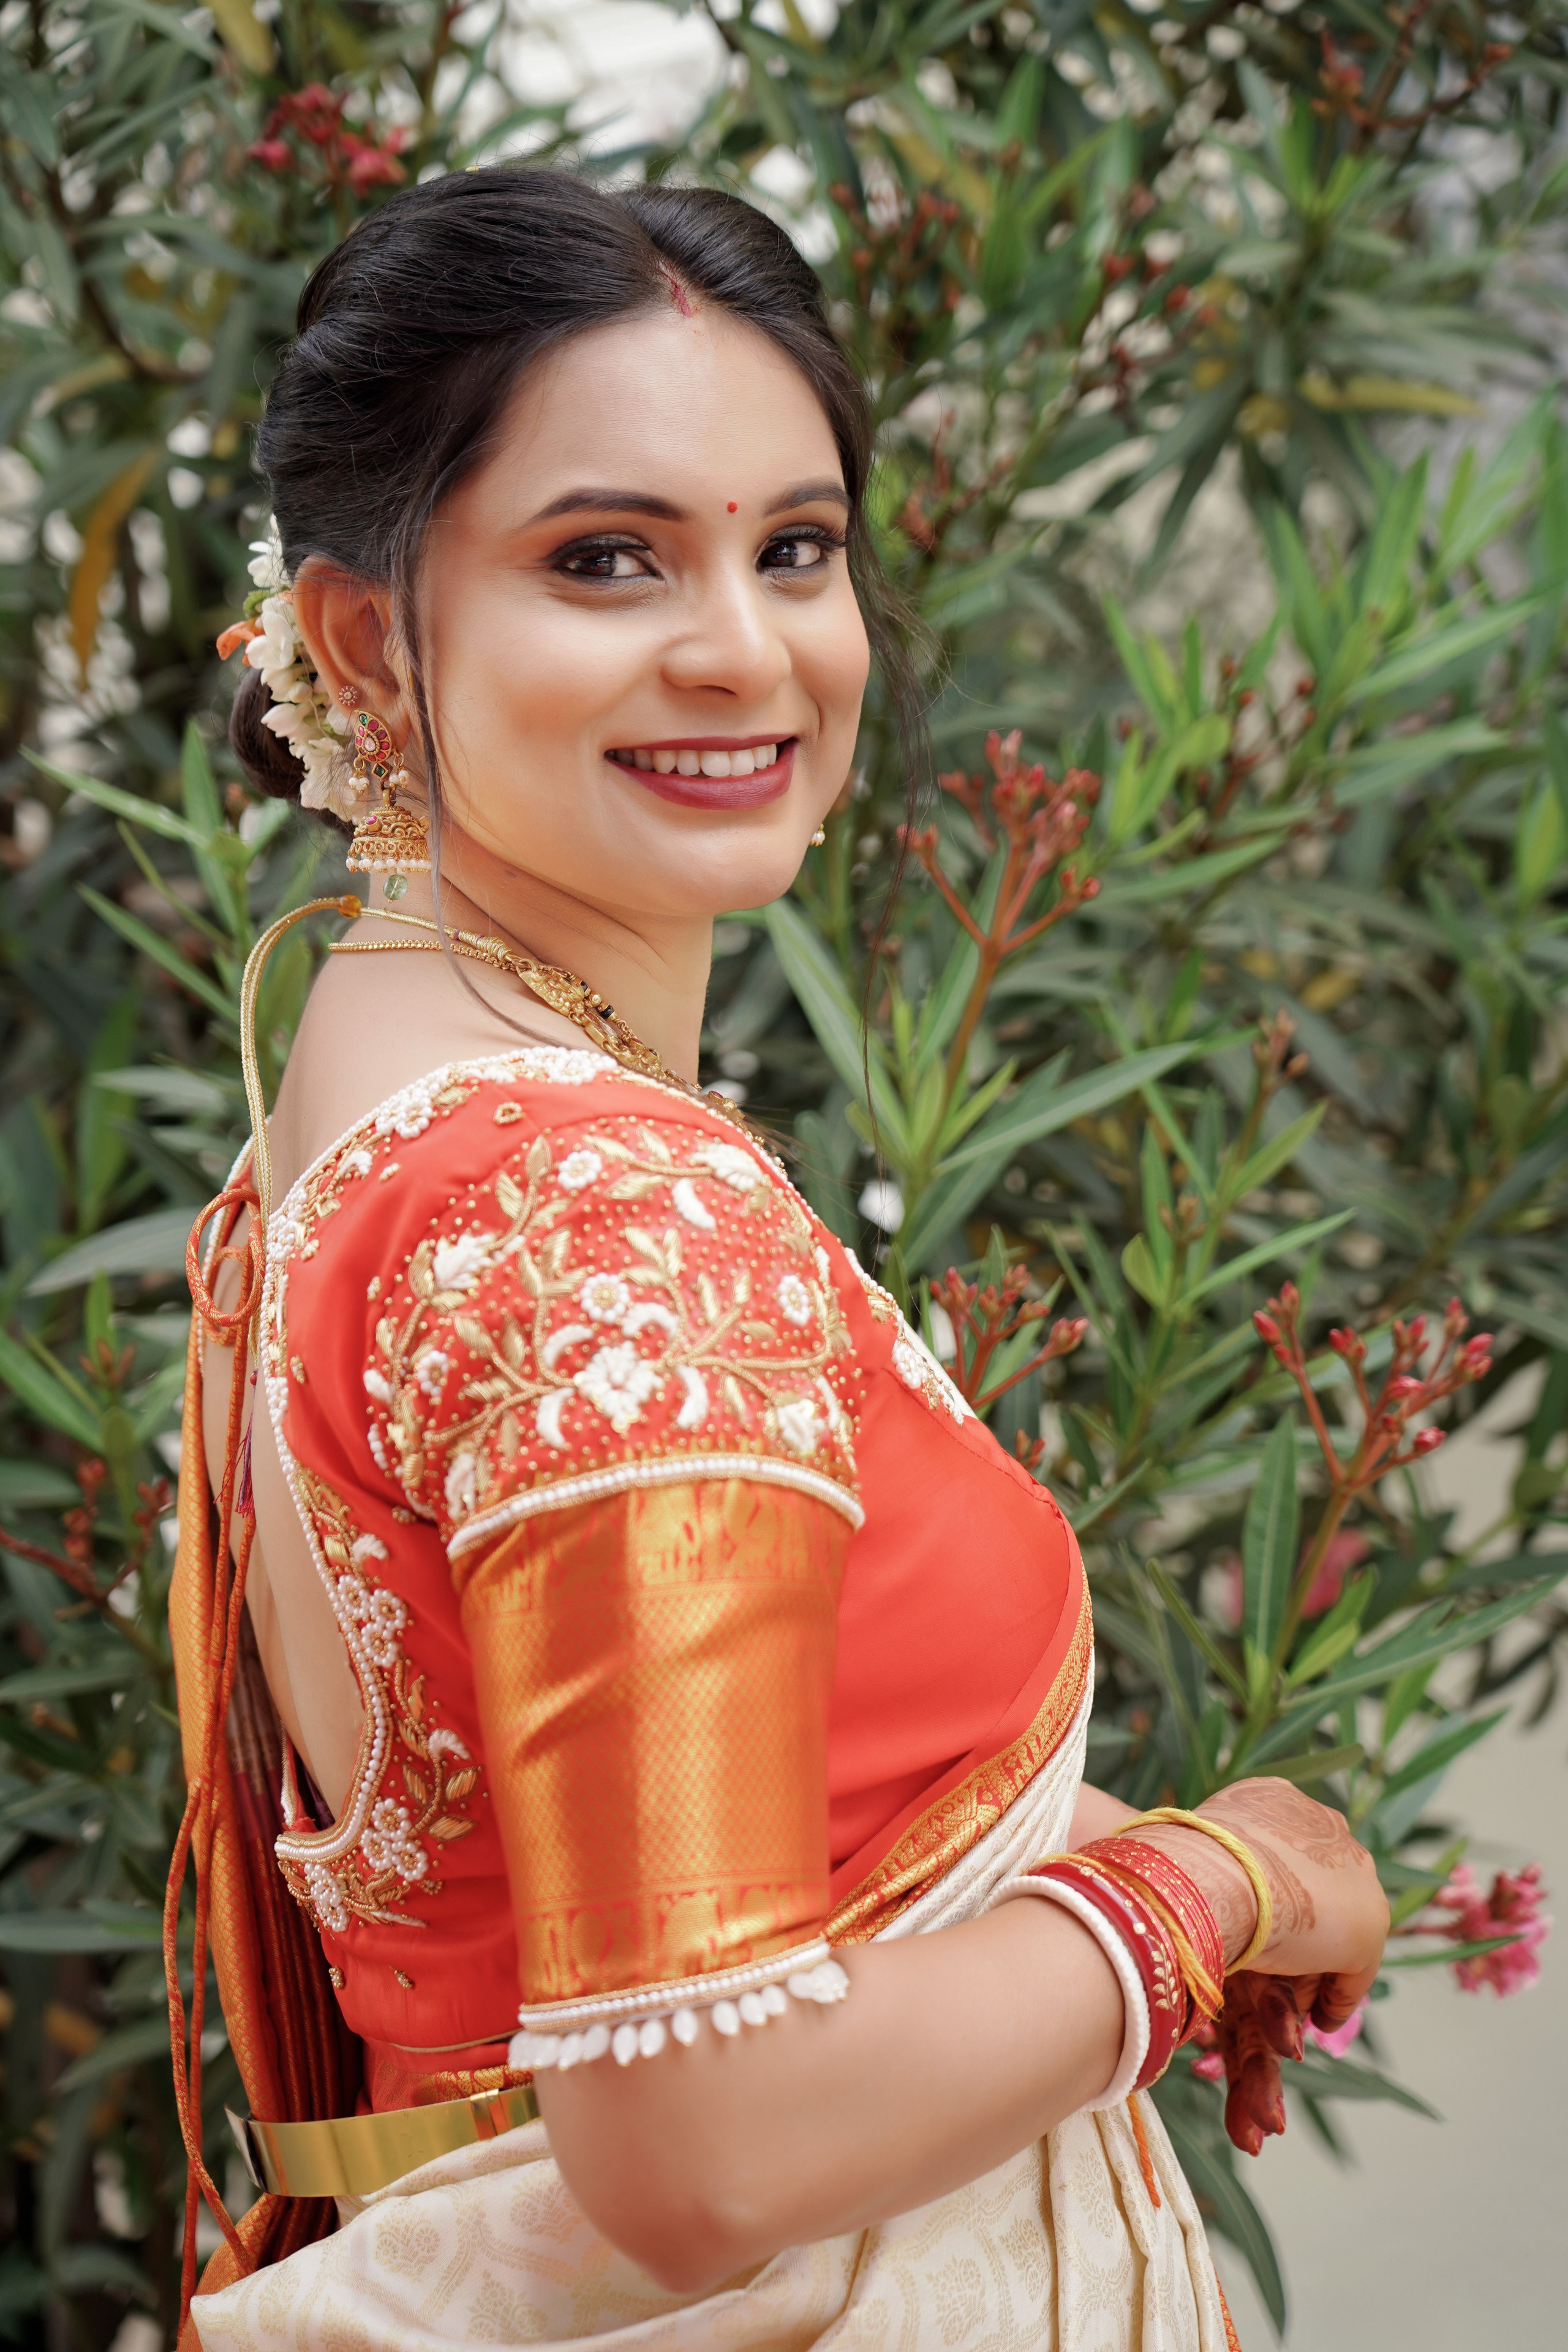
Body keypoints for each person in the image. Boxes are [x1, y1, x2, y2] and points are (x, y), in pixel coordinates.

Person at [168, 167, 1387, 2352]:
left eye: (794, 546)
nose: (745, 648)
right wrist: (1219, 1883)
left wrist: (1050, 1859)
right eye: (605, 557)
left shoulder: (364, 1075)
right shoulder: (600, 1214)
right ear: (362, 637)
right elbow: (704, 2149)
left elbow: (601, 1863)